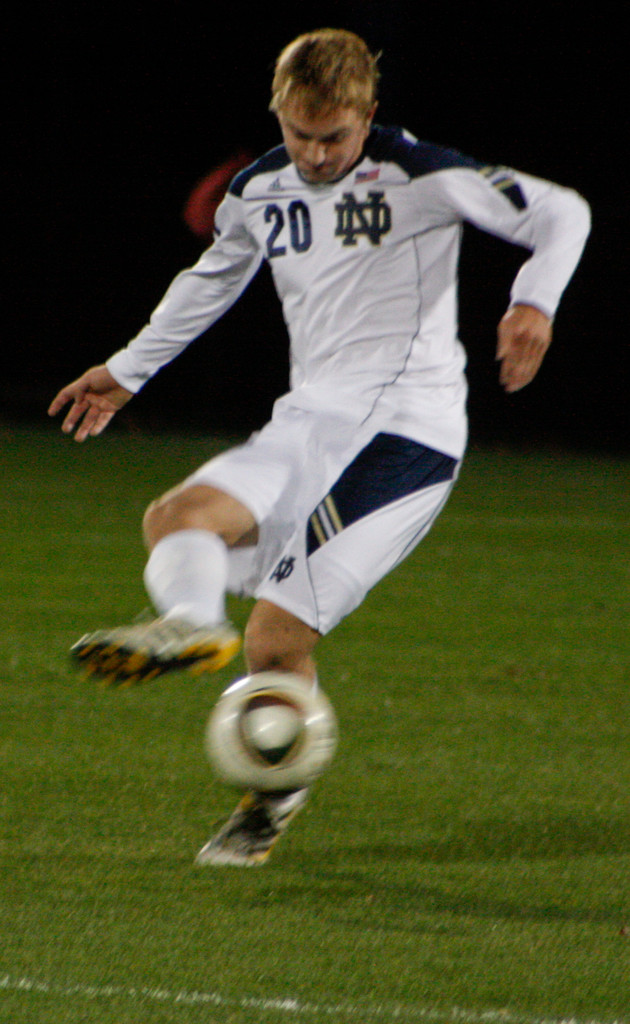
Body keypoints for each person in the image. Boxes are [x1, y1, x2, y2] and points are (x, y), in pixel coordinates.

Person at [49, 28, 591, 867]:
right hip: (308, 423)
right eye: (300, 133)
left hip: (406, 433)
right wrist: (126, 372)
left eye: (334, 136)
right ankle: (191, 625)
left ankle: (269, 802)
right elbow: (211, 280)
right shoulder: (259, 188)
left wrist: (534, 303)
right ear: (280, 114)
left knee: (275, 641)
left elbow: (562, 210)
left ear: (367, 116)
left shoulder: (420, 173)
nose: (316, 153)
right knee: (178, 517)